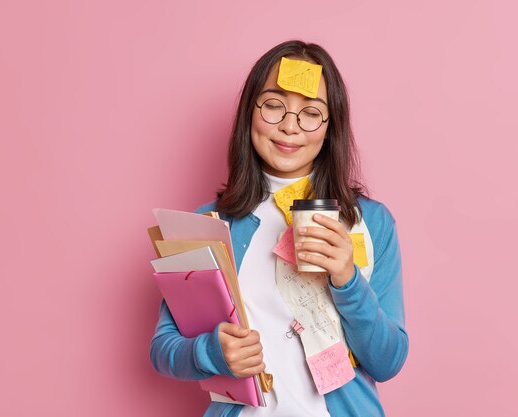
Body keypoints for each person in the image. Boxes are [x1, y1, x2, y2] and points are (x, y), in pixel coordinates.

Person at [150, 40, 409, 417]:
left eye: (310, 113)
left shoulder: (370, 222)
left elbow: (388, 362)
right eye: (274, 106)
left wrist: (347, 279)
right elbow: (163, 349)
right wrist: (211, 351)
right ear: (249, 114)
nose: (290, 127)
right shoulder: (206, 225)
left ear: (330, 126)